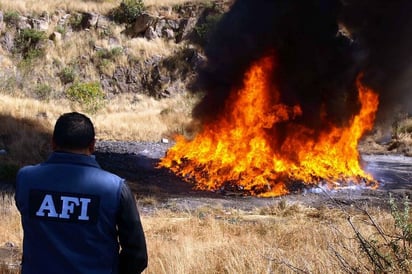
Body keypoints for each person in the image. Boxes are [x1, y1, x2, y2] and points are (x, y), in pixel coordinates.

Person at [15, 112, 148, 274]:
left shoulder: (26, 179)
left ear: (53, 143)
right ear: (92, 145)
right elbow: (137, 255)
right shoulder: (115, 188)